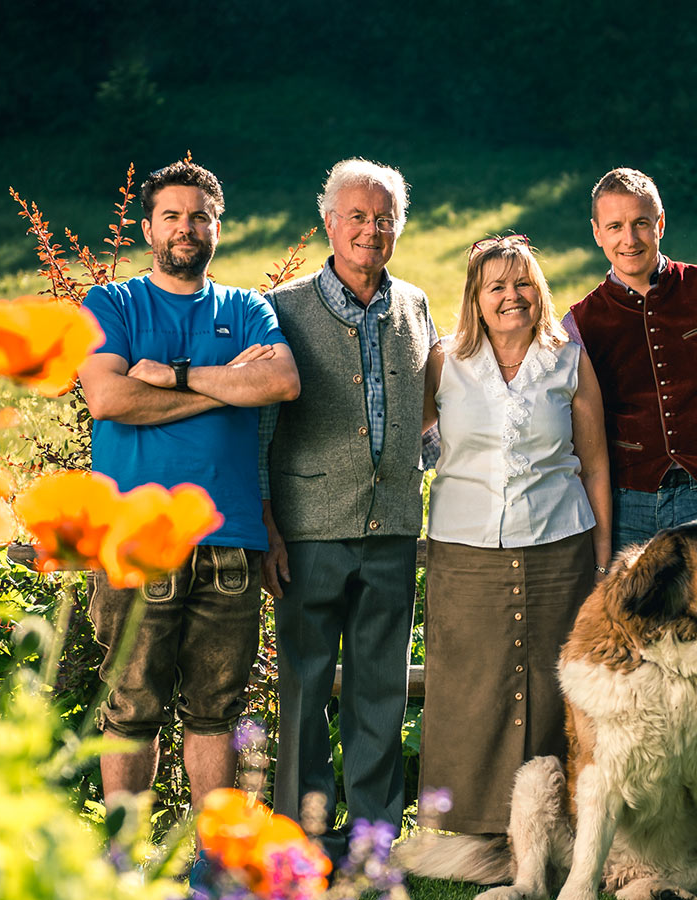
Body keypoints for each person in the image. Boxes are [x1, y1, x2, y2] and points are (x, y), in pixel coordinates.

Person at [562, 167, 697, 853]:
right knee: (643, 660)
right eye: (615, 226)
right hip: (632, 504)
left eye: (641, 222)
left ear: (661, 224)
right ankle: (656, 832)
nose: (630, 237)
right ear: (597, 235)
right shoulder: (580, 320)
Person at [76, 159, 301, 808]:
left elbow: (281, 383)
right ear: (148, 228)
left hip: (227, 537)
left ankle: (213, 869)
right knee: (130, 709)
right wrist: (224, 386)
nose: (186, 227)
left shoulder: (246, 307)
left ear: (217, 228)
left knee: (216, 712)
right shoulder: (113, 302)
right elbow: (109, 399)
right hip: (134, 539)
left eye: (199, 215)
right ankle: (125, 867)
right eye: (172, 215)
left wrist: (173, 378)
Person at [260, 158, 437, 860]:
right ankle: (305, 839)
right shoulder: (283, 306)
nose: (371, 229)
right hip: (307, 529)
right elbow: (262, 427)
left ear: (398, 225)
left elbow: (425, 413)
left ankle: (372, 841)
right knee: (303, 691)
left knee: (381, 693)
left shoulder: (416, 304)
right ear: (329, 222)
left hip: (391, 527)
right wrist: (268, 522)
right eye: (357, 216)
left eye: (383, 216)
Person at [418, 235, 611, 836]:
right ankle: (470, 825)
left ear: (540, 291)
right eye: (495, 286)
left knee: (557, 688)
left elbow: (596, 462)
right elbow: (406, 442)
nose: (511, 297)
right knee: (470, 687)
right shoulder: (444, 362)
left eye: (522, 283)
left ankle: (559, 822)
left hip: (560, 546)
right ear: (475, 297)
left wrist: (602, 551)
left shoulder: (568, 360)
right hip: (464, 549)